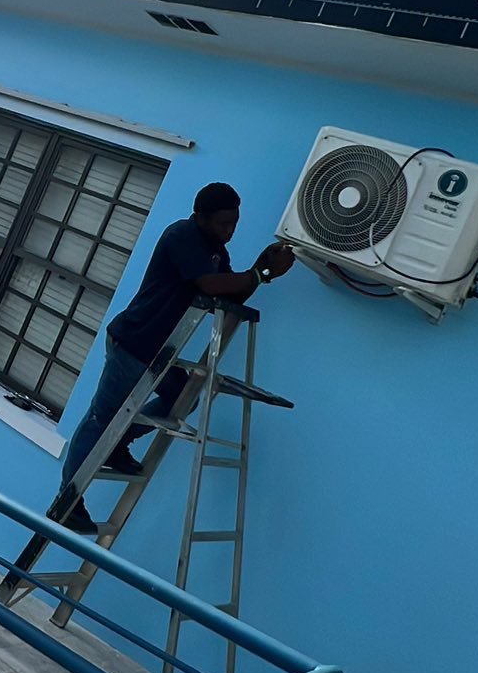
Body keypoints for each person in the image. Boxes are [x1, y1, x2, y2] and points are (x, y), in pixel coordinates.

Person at [51, 182, 295, 534]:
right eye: (223, 224)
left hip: (160, 352)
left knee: (183, 401)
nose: (230, 231)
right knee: (100, 418)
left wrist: (262, 269)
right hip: (134, 343)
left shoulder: (213, 248)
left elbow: (232, 294)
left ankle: (121, 441)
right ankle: (66, 501)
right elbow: (211, 286)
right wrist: (257, 273)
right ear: (200, 217)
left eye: (234, 224)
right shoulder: (181, 235)